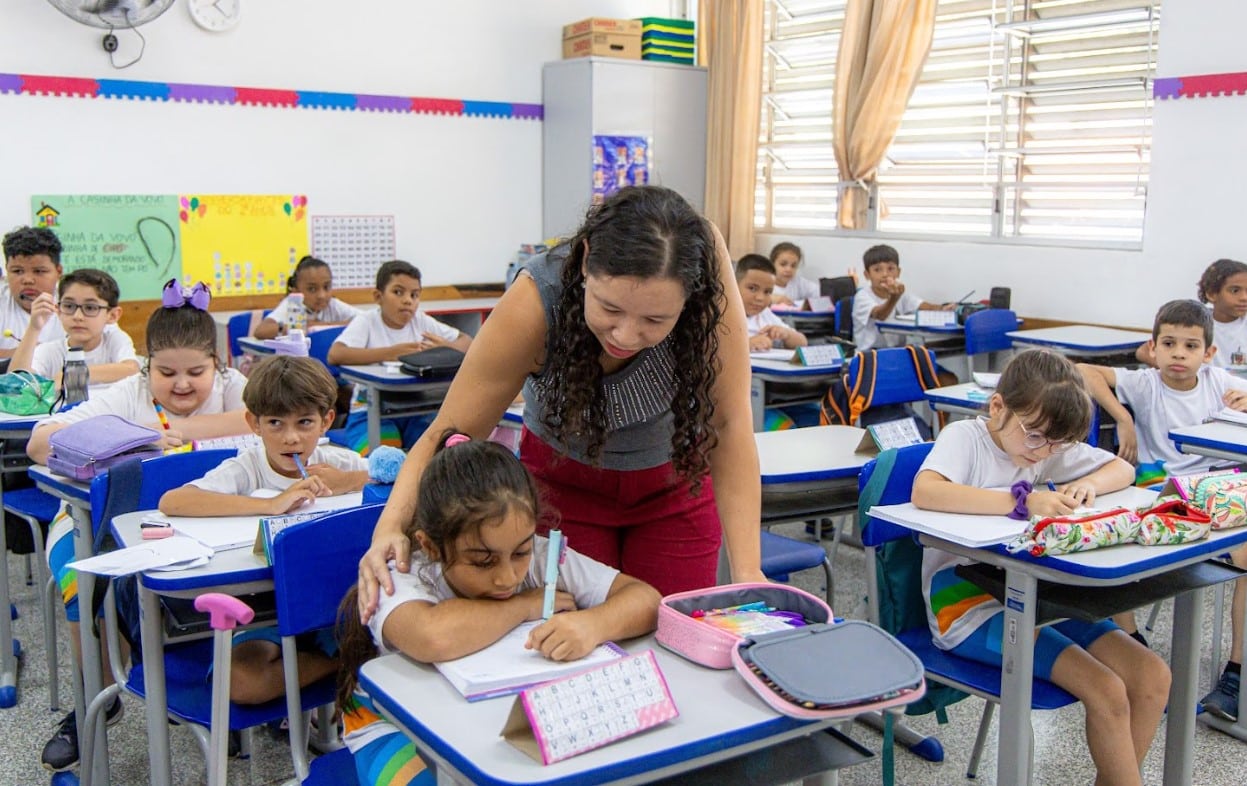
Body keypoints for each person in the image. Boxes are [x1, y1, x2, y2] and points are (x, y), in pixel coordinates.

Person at [357, 185, 762, 621]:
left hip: (675, 487)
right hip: (563, 490)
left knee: (677, 634)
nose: (626, 335)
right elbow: (450, 431)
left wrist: (749, 571)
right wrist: (389, 527)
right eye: (610, 308)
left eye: (655, 320)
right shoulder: (537, 298)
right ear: (586, 260)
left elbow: (731, 424)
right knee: (565, 638)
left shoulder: (703, 269)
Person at [336, 434, 660, 786]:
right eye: (483, 561)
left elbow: (645, 598)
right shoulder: (402, 572)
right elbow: (432, 635)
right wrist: (524, 605)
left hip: (488, 719)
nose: (507, 576)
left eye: (519, 553)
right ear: (431, 546)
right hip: (389, 727)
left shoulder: (540, 555)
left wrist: (594, 624)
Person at [912, 348, 1169, 786]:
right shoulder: (966, 438)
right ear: (998, 408)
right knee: (1106, 689)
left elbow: (1120, 469)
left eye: (1057, 443)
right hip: (966, 605)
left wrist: (1084, 484)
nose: (1044, 451)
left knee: (1152, 676)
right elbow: (926, 491)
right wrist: (1020, 501)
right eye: (1035, 437)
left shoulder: (1041, 444)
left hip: (1035, 591)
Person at [29, 279, 250, 772]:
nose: (182, 385)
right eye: (166, 372)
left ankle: (202, 694)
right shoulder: (128, 395)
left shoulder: (235, 390)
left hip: (203, 528)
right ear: (147, 366)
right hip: (101, 522)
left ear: (219, 364)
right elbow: (40, 443)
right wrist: (131, 436)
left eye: (197, 371)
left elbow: (268, 419)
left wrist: (174, 431)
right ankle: (95, 696)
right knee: (80, 575)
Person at [159, 355, 367, 703]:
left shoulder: (339, 462)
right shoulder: (248, 466)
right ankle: (345, 663)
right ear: (253, 423)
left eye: (304, 422)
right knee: (240, 681)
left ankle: (345, 662)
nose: (291, 438)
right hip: (263, 610)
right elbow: (174, 501)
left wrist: (352, 480)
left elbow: (408, 475)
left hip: (332, 606)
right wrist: (269, 505)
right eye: (275, 423)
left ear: (326, 421)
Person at [1079, 299, 1247, 719]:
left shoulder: (1217, 380)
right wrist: (1123, 417)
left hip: (1211, 491)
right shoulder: (1145, 383)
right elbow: (1084, 371)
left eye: (1190, 346)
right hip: (1159, 492)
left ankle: (1236, 674)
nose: (1178, 354)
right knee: (1120, 540)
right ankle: (1132, 644)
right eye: (1168, 343)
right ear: (1152, 348)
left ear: (1208, 354)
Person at [326, 260, 473, 453]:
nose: (408, 301)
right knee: (385, 459)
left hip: (416, 411)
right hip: (368, 414)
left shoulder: (420, 320)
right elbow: (335, 354)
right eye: (398, 292)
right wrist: (392, 353)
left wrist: (446, 347)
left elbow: (467, 342)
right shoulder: (367, 321)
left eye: (415, 295)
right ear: (378, 296)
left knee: (434, 452)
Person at [9, 267, 139, 394]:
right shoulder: (49, 351)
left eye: (90, 307)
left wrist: (76, 374)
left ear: (113, 315)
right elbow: (15, 385)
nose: (77, 316)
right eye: (69, 306)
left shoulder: (113, 340)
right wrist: (34, 328)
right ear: (58, 310)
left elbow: (132, 369)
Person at [851, 243, 955, 352]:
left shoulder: (901, 294)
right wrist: (894, 298)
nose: (885, 274)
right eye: (877, 270)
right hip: (869, 356)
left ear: (898, 272)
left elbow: (924, 306)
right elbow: (880, 315)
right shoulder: (862, 296)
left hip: (897, 353)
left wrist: (943, 308)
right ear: (867, 275)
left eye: (890, 269)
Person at [252, 255, 360, 339]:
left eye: (326, 287)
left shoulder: (333, 304)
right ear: (296, 290)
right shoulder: (293, 305)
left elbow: (366, 319)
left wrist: (319, 325)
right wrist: (299, 327)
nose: (321, 295)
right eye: (312, 289)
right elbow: (261, 331)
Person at [0, 225, 66, 358]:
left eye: (39, 271)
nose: (28, 280)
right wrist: (26, 352)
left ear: (58, 271)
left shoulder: (78, 300)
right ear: (7, 270)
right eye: (17, 271)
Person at [736, 254, 808, 351]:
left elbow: (803, 343)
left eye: (767, 292)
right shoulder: (721, 314)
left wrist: (786, 334)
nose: (760, 298)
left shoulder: (764, 314)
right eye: (752, 288)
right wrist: (746, 345)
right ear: (734, 286)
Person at [768, 241, 820, 307]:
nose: (789, 269)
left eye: (793, 266)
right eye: (783, 264)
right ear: (772, 264)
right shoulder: (764, 282)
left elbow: (819, 292)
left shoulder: (798, 282)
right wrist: (770, 299)